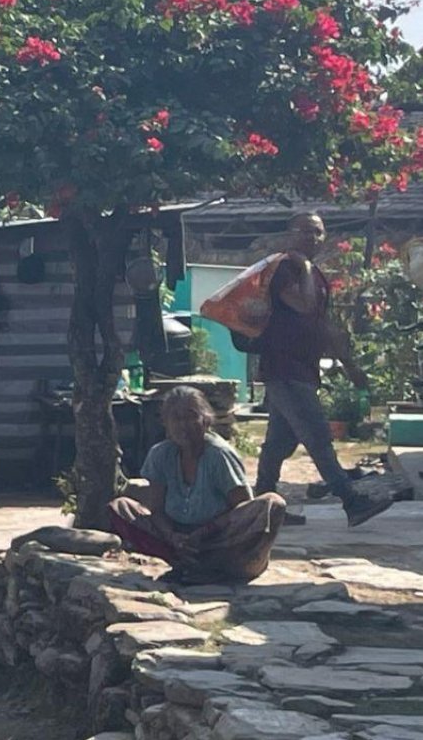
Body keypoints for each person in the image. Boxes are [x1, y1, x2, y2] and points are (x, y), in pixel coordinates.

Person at [252, 213, 394, 527]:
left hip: (303, 369)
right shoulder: (285, 269)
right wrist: (302, 266)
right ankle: (351, 500)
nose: (312, 238)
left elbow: (323, 326)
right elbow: (301, 305)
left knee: (279, 444)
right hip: (283, 368)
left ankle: (261, 509)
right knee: (317, 436)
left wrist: (350, 365)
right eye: (305, 231)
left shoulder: (316, 276)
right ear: (290, 234)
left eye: (318, 233)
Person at [109, 387, 288, 584]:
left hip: (218, 537)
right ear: (165, 423)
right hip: (176, 538)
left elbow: (243, 507)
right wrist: (172, 536)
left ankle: (213, 565)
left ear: (205, 420)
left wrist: (204, 532)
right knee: (121, 507)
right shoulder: (160, 455)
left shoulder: (218, 455)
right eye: (176, 418)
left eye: (191, 416)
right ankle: (186, 563)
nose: (183, 425)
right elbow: (156, 509)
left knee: (272, 504)